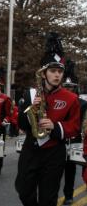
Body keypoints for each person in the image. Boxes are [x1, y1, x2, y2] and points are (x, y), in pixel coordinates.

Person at [15, 32, 80, 206]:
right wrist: (31, 111)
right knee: (23, 191)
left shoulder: (71, 98)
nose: (57, 75)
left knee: (48, 198)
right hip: (31, 148)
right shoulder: (30, 94)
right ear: (43, 73)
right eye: (52, 71)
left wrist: (56, 126)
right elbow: (20, 123)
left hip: (54, 153)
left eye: (60, 71)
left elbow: (74, 126)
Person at [61, 60, 87, 205]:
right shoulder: (58, 101)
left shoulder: (83, 104)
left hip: (75, 140)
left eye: (71, 87)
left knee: (70, 171)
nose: (68, 89)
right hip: (59, 140)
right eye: (66, 87)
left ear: (75, 88)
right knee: (54, 171)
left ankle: (69, 195)